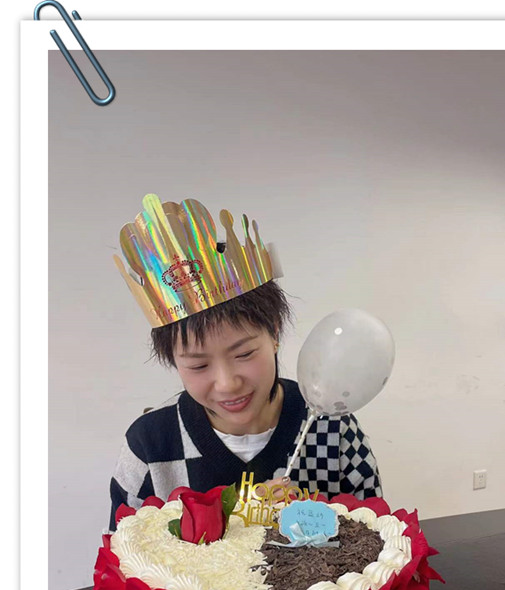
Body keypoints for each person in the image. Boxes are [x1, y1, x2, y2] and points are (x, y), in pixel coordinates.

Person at [108, 194, 382, 530]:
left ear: (275, 331)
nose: (227, 383)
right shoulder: (151, 444)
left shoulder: (333, 430)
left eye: (244, 354)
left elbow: (378, 539)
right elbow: (123, 551)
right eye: (198, 366)